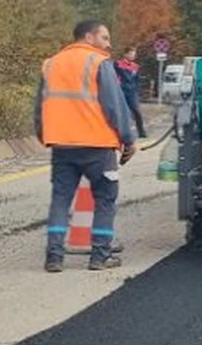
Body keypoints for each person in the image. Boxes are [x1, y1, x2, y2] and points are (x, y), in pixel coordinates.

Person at [35, 20, 137, 273]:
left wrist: (44, 135)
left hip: (62, 145)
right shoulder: (99, 63)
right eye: (104, 38)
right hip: (97, 146)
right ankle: (100, 256)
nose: (108, 44)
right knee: (105, 199)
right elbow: (115, 105)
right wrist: (128, 138)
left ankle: (54, 257)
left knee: (60, 200)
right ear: (89, 37)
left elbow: (40, 106)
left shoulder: (51, 64)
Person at [114, 46, 147, 141]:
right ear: (125, 54)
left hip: (132, 92)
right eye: (131, 54)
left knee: (137, 111)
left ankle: (141, 131)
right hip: (122, 91)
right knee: (123, 112)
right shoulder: (118, 64)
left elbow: (137, 80)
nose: (133, 56)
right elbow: (115, 76)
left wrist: (137, 90)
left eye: (134, 54)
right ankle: (121, 132)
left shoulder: (136, 67)